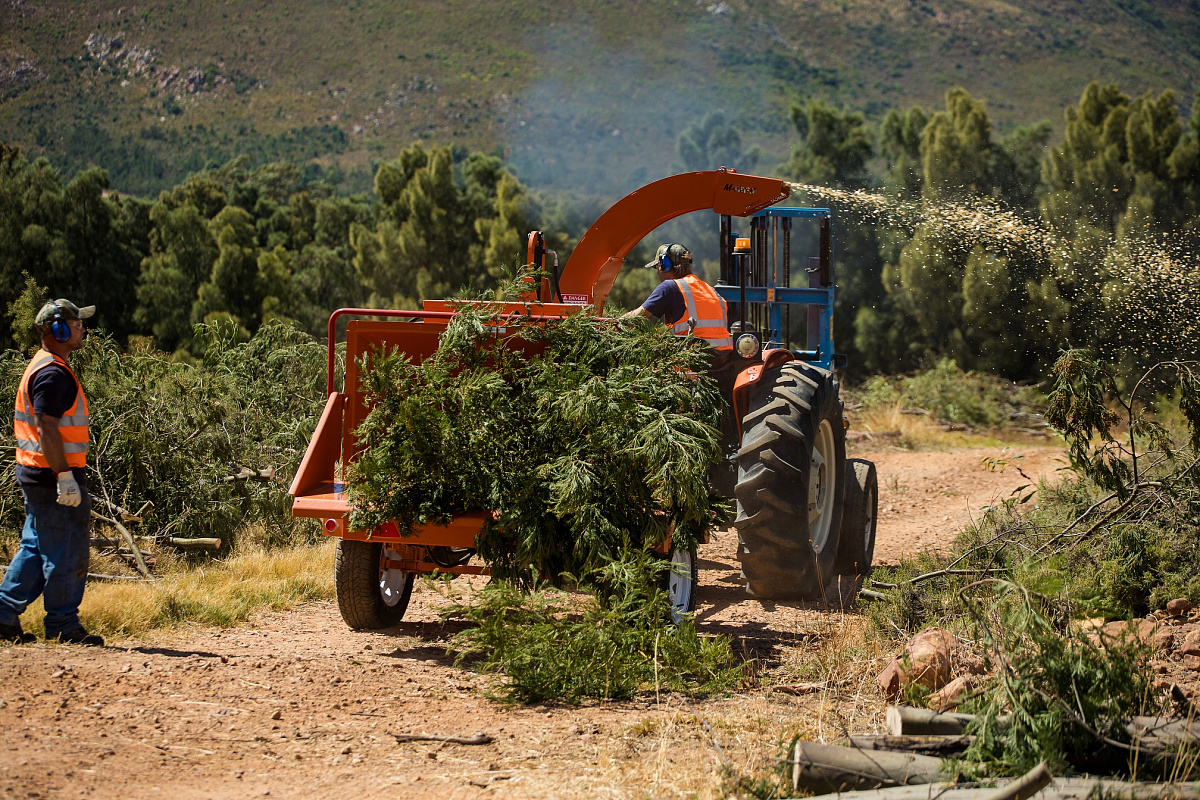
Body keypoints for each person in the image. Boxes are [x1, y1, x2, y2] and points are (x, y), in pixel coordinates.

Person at [0, 299, 103, 646]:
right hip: (53, 476)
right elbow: (46, 427)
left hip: (36, 473)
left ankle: (3, 613)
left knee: (35, 545)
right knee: (68, 550)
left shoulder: (44, 365)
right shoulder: (53, 373)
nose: (82, 329)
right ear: (59, 330)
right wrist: (65, 477)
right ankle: (62, 623)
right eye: (76, 324)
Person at [620, 243, 734, 354]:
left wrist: (613, 324)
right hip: (723, 361)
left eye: (657, 268)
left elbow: (635, 318)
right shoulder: (710, 289)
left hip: (694, 361)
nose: (657, 274)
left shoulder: (669, 287)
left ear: (665, 265)